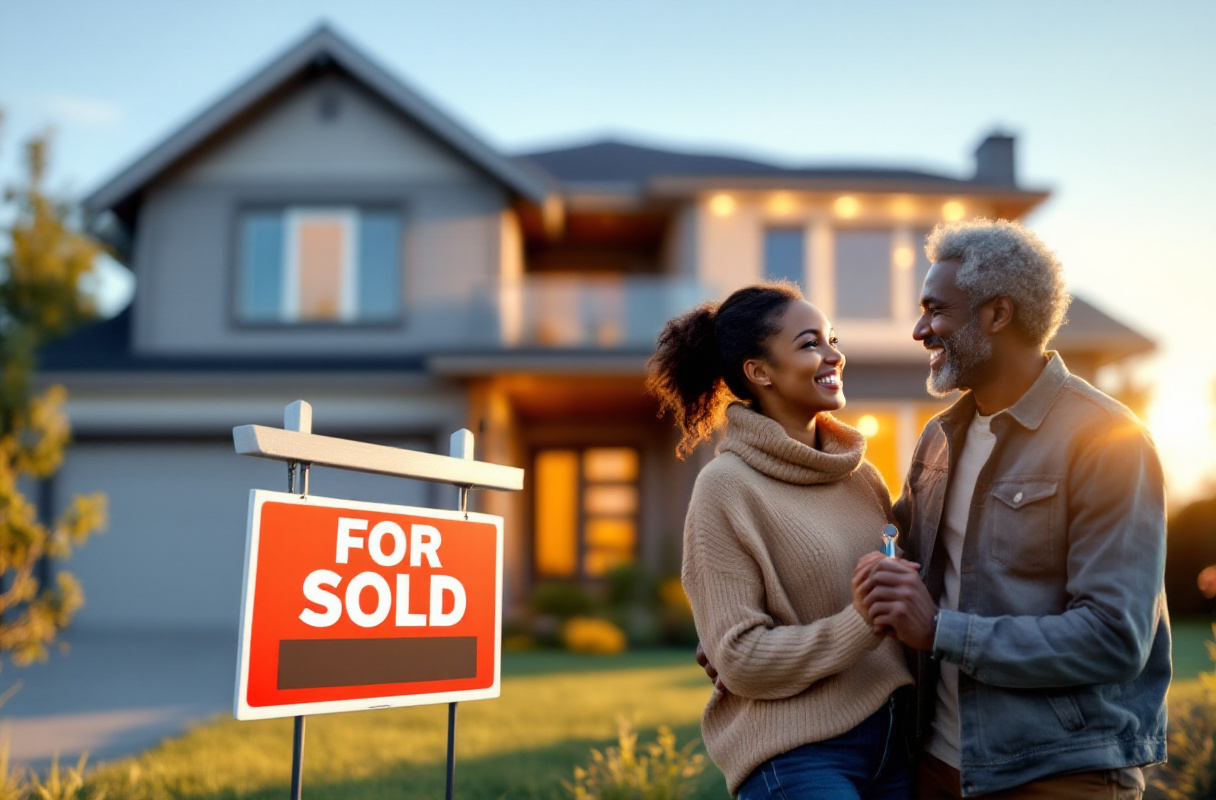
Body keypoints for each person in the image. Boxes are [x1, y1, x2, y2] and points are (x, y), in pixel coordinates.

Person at [855, 219, 1169, 799]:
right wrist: (753, 624)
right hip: (936, 765)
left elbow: (1114, 638)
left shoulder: (1109, 440)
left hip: (1058, 774)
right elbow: (884, 553)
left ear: (998, 315)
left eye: (936, 310)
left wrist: (942, 631)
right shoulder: (938, 438)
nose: (920, 330)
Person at [646, 282, 914, 799]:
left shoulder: (863, 480)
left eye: (832, 339)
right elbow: (740, 657)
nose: (834, 354)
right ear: (760, 371)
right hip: (798, 755)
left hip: (894, 746)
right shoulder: (726, 488)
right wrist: (859, 622)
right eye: (810, 342)